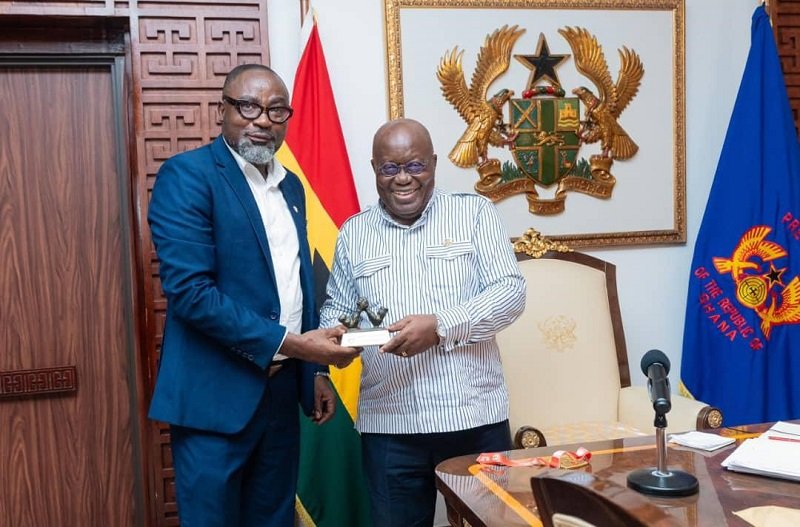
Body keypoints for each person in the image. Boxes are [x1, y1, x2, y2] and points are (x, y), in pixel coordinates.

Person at [147, 63, 359, 527]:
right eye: (248, 106)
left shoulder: (293, 187)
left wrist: (314, 368)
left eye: (276, 110)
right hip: (214, 399)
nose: (262, 119)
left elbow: (297, 285)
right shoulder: (188, 177)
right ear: (222, 110)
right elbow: (191, 293)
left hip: (282, 395)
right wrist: (295, 344)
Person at [320, 118, 527, 526]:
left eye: (415, 166)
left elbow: (510, 293)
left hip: (473, 417)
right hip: (390, 423)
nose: (403, 179)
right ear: (375, 169)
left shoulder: (474, 213)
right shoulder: (354, 233)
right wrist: (334, 341)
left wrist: (440, 326)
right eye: (389, 168)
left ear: (432, 163)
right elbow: (336, 310)